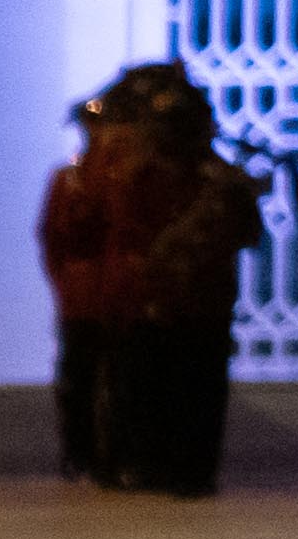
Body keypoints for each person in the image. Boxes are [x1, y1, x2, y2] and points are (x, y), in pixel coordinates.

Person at [43, 67, 261, 496]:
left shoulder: (216, 177)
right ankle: (130, 462)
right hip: (141, 296)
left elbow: (247, 234)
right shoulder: (128, 174)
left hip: (202, 300)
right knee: (136, 384)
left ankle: (189, 470)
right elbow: (110, 231)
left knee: (197, 388)